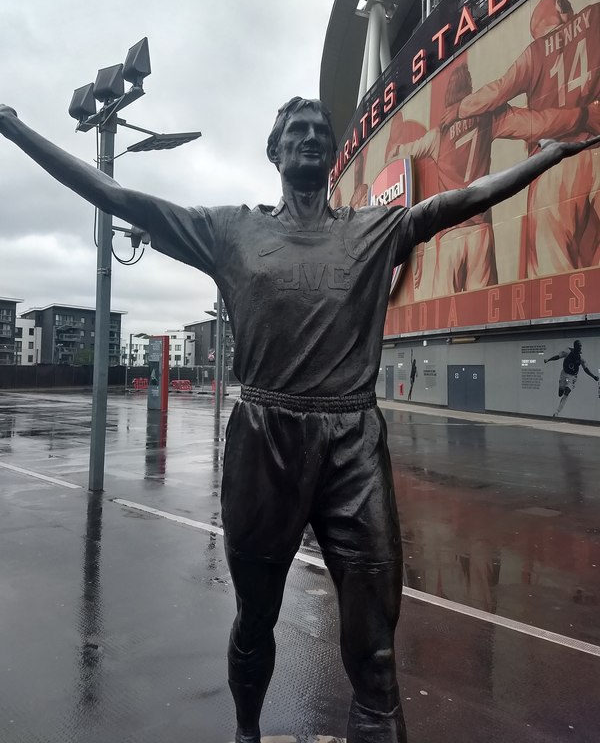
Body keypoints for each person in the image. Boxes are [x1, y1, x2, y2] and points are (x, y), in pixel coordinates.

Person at [1, 97, 598, 743]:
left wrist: (542, 160)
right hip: (264, 443)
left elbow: (460, 201)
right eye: (297, 131)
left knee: (374, 649)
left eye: (320, 131)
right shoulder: (230, 230)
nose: (310, 137)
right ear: (275, 152)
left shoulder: (373, 232)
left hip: (353, 447)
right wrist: (17, 130)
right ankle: (247, 732)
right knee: (254, 621)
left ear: (331, 154)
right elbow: (120, 197)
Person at [389, 62, 588, 296]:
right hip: (480, 230)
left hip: (449, 234)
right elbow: (535, 123)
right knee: (482, 301)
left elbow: (401, 154)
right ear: (469, 91)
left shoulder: (436, 136)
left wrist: (395, 141)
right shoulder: (488, 119)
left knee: (447, 321)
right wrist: (580, 116)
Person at [441, 0, 600, 278]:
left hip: (551, 166)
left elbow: (499, 91)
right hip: (595, 148)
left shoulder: (534, 53)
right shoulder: (596, 16)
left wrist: (460, 108)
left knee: (553, 276)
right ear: (564, 10)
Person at [544, 339, 598, 417]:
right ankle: (561, 387)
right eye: (578, 346)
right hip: (564, 373)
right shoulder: (567, 352)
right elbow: (557, 357)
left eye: (580, 346)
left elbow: (586, 369)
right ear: (575, 347)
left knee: (567, 391)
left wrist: (594, 376)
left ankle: (557, 412)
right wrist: (548, 359)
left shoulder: (581, 358)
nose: (580, 348)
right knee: (560, 393)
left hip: (572, 376)